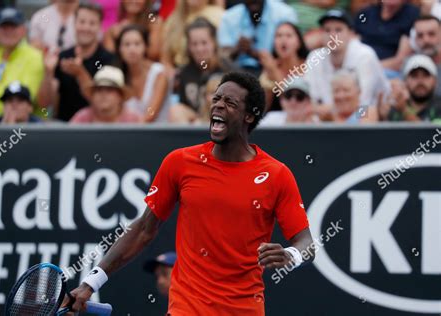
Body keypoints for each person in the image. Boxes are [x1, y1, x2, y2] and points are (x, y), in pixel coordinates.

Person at [64, 71, 314, 315]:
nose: (218, 106)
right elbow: (143, 229)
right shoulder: (179, 162)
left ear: (249, 116)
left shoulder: (277, 174)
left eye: (230, 102)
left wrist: (290, 254)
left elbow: (307, 244)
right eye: (216, 99)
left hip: (245, 308)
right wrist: (90, 284)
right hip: (187, 307)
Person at [305, 9, 390, 116]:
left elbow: (364, 103)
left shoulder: (365, 55)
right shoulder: (314, 57)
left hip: (371, 115)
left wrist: (326, 111)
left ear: (350, 33)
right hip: (329, 119)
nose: (333, 35)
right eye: (327, 30)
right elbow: (310, 103)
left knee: (366, 112)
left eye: (338, 30)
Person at [38, 2, 114, 122]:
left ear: (100, 27)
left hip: (97, 126)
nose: (86, 28)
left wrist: (80, 73)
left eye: (92, 23)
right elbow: (44, 104)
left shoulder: (108, 59)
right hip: (64, 127)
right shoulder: (62, 57)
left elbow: (102, 102)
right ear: (74, 23)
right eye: (82, 22)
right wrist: (48, 72)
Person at [170, 18, 235, 124]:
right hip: (197, 123)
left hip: (224, 122)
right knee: (176, 110)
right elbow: (184, 106)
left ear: (214, 42)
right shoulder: (185, 73)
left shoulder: (229, 70)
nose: (199, 49)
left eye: (204, 43)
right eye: (194, 44)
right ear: (189, 46)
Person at [217, 0, 297, 74]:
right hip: (236, 72)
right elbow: (223, 55)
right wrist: (238, 49)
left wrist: (253, 52)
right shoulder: (229, 17)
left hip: (273, 72)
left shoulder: (284, 14)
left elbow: (291, 51)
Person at [116, 25, 171, 123]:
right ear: (120, 49)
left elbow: (150, 116)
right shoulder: (117, 76)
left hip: (159, 134)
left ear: (145, 46)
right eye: (127, 44)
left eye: (137, 44)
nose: (132, 49)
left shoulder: (159, 74)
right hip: (128, 133)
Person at [354, 0, 419, 74]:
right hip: (360, 66)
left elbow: (401, 61)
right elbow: (353, 44)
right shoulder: (366, 13)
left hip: (390, 72)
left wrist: (368, 68)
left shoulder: (411, 14)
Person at [258, 22, 309, 112]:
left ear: (299, 42)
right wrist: (269, 76)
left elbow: (293, 100)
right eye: (279, 36)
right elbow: (263, 108)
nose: (283, 40)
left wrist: (274, 70)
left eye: (289, 36)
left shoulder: (308, 66)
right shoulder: (270, 67)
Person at [162, 0, 224, 69]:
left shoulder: (219, 15)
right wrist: (171, 74)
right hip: (180, 71)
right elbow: (165, 57)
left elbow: (223, 52)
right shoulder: (174, 19)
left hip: (211, 70)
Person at [380, 54, 441, 122]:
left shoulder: (439, 106)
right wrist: (382, 115)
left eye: (426, 75)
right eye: (414, 76)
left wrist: (404, 110)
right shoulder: (394, 106)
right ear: (405, 81)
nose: (420, 81)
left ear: (435, 81)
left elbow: (434, 132)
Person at [70, 66, 140, 123]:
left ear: (120, 96)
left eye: (109, 90)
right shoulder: (81, 119)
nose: (103, 94)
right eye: (99, 89)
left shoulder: (133, 121)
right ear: (93, 95)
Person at [411, 15, 441, 98]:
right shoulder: (408, 64)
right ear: (415, 39)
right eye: (420, 35)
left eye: (431, 34)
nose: (426, 40)